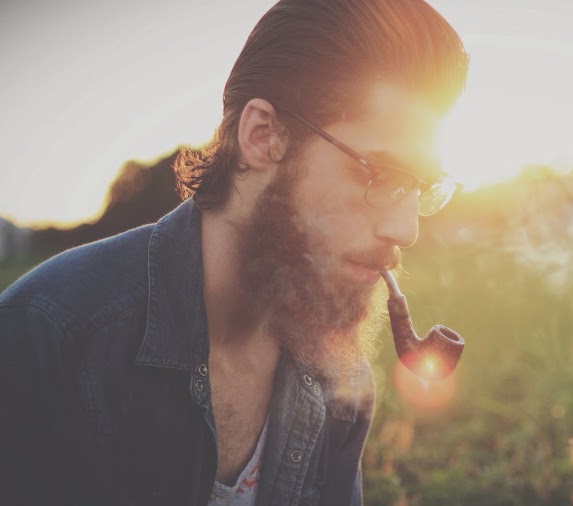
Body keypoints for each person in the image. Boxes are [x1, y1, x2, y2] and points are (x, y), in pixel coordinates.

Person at [0, 0, 468, 504]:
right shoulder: (49, 337)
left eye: (424, 186)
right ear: (263, 136)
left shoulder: (342, 385)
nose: (406, 229)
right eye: (385, 176)